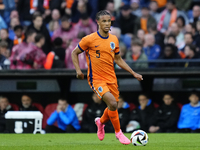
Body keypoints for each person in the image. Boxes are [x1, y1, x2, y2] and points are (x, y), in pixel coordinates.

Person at [71, 10, 143, 145]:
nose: (107, 23)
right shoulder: (89, 39)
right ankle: (118, 133)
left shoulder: (114, 39)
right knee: (113, 103)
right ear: (97, 22)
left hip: (111, 78)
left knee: (112, 107)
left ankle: (100, 122)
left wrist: (133, 72)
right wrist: (78, 71)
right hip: (96, 79)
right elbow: (74, 53)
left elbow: (118, 59)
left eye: (109, 21)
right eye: (104, 21)